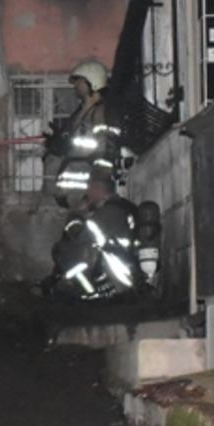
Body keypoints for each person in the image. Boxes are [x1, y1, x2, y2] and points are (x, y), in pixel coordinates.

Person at [47, 168, 141, 301]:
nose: (88, 193)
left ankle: (88, 292)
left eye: (90, 189)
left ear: (99, 190)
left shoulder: (106, 214)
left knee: (66, 251)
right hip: (129, 266)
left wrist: (76, 214)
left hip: (118, 275)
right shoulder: (128, 207)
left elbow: (80, 238)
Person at [50, 60, 122, 203]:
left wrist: (98, 185)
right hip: (75, 190)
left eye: (79, 81)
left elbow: (107, 148)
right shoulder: (84, 112)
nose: (75, 86)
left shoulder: (101, 113)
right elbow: (76, 147)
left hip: (89, 191)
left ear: (92, 82)